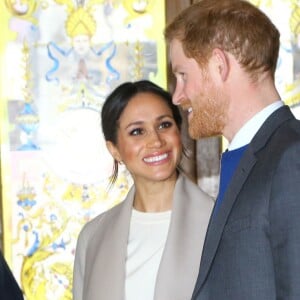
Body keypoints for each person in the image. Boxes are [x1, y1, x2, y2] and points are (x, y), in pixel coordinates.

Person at [165, 0, 300, 299]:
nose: (177, 96)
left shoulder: (292, 157)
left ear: (218, 65)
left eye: (183, 75)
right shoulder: (249, 157)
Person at [72, 80, 213, 300]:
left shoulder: (219, 222)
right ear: (115, 149)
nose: (156, 140)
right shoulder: (92, 238)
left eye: (164, 125)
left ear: (179, 131)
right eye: (137, 131)